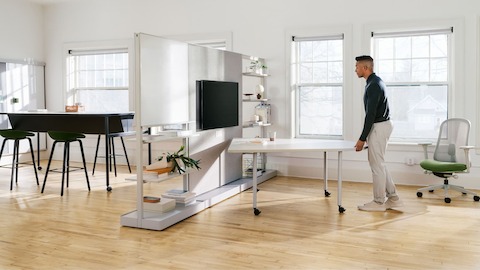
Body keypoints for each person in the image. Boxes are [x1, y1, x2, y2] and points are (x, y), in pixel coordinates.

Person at [354, 55, 402, 211]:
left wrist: (362, 138)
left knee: (377, 166)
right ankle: (393, 198)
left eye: (357, 67)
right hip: (381, 125)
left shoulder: (374, 85)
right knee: (379, 164)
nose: (355, 69)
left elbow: (370, 114)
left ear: (366, 68)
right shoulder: (374, 82)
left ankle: (379, 202)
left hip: (379, 126)